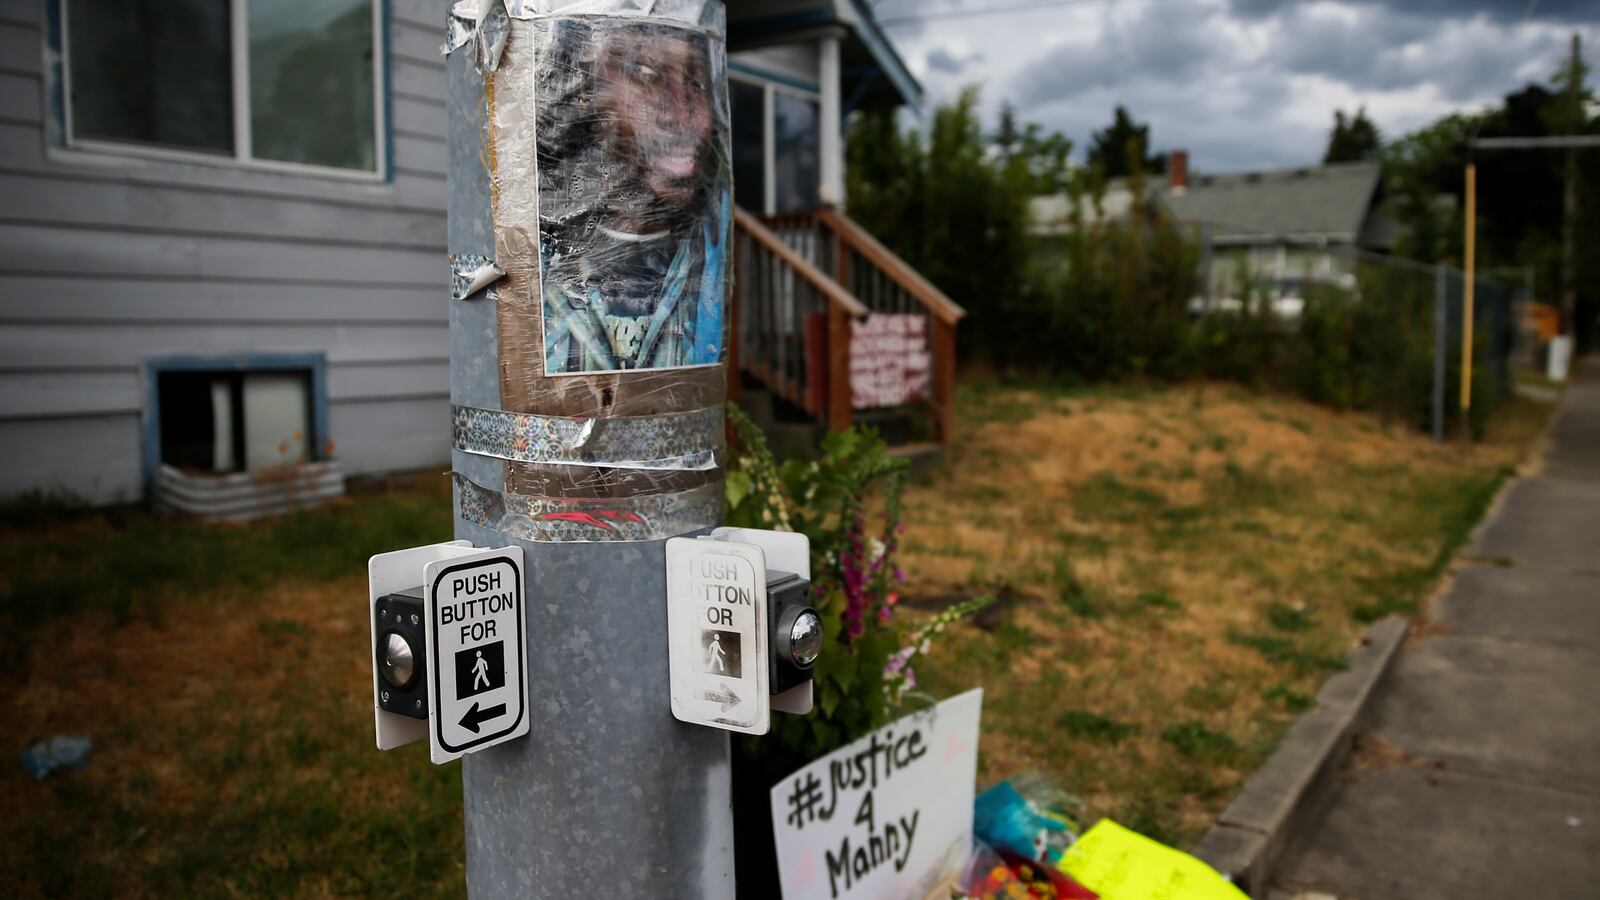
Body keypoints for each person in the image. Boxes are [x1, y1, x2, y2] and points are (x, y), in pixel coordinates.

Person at [535, 19, 731, 374]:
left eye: (696, 81)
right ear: (583, 90)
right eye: (644, 72)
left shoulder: (710, 257)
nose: (680, 111)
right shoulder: (529, 253)